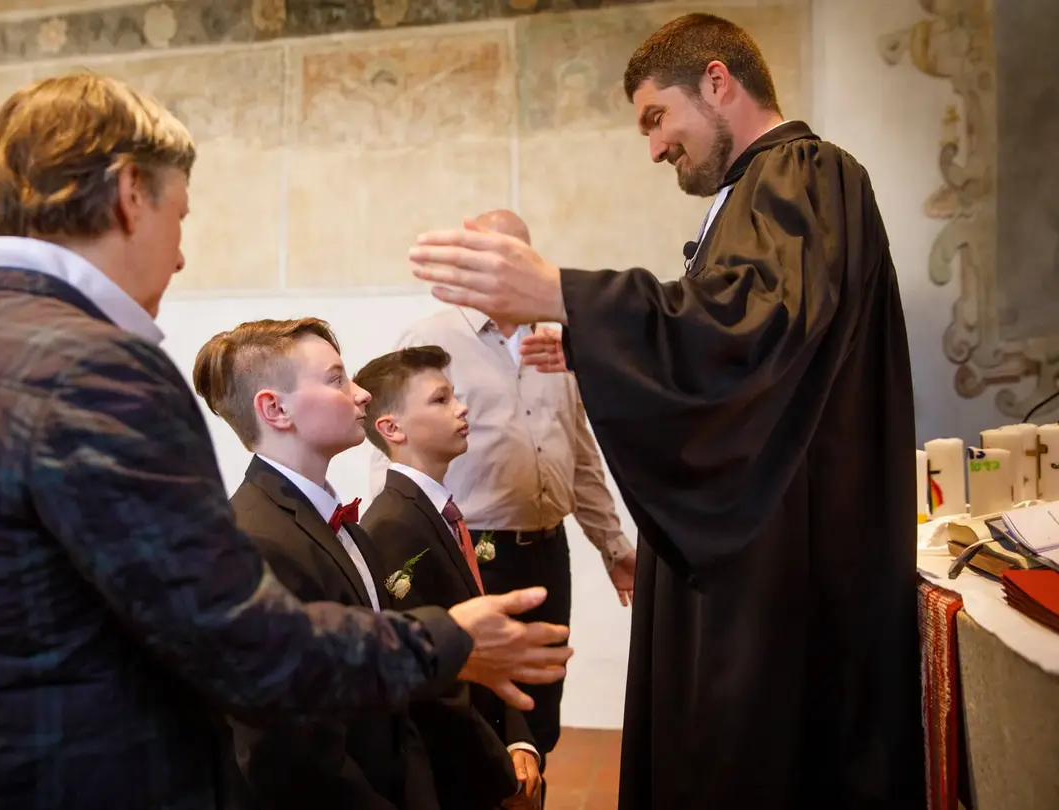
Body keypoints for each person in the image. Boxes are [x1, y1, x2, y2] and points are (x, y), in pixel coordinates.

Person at [0, 72, 571, 810]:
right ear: (129, 194)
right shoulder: (98, 368)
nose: (179, 259)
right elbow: (239, 644)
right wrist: (447, 642)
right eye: (179, 218)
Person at [406, 12, 925, 810]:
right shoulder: (763, 188)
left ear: (718, 81)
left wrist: (562, 293)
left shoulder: (802, 171)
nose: (653, 147)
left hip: (789, 563)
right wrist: (592, 344)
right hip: (775, 546)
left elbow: (751, 330)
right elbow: (735, 343)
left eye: (657, 118)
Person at [371, 209, 636, 759]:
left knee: (542, 703)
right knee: (482, 712)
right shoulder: (432, 340)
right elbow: (392, 448)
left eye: (519, 257)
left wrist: (612, 546)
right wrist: (386, 552)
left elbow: (579, 450)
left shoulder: (557, 343)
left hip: (547, 549)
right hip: (474, 552)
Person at [193, 317, 440, 810]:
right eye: (336, 379)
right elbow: (286, 755)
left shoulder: (343, 524)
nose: (362, 393)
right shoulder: (258, 541)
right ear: (275, 409)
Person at [357, 346, 542, 810]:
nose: (461, 408)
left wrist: (520, 740)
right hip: (459, 774)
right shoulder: (393, 526)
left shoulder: (441, 513)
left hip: (491, 741)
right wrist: (501, 771)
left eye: (455, 396)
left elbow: (485, 642)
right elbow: (433, 682)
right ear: (392, 428)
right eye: (440, 400)